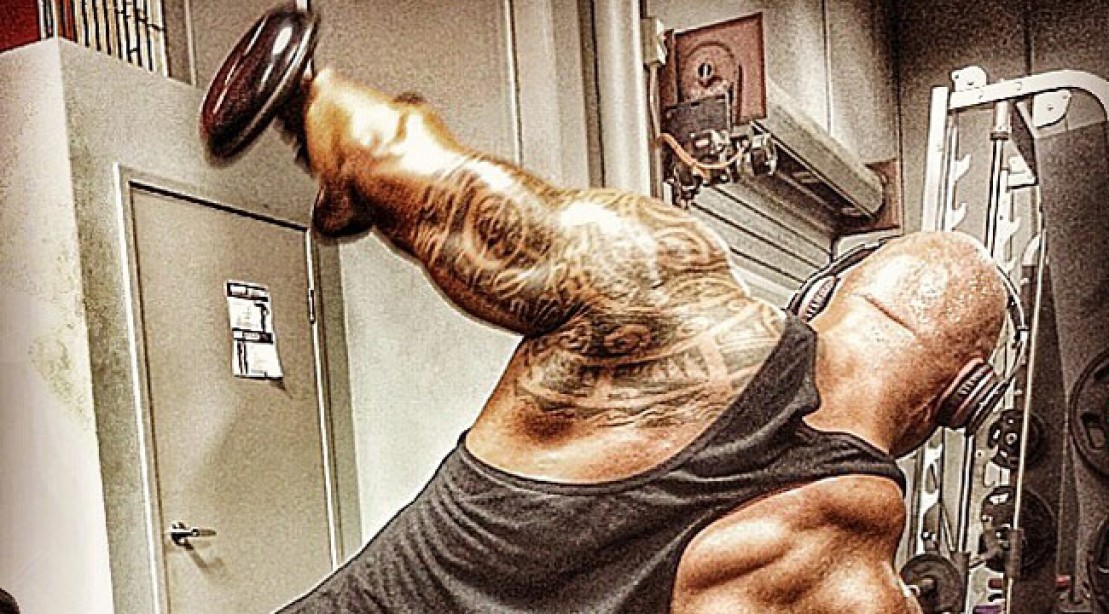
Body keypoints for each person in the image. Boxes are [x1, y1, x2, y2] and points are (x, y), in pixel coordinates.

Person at [271, 68, 1006, 613]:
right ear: (958, 398)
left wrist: (313, 101)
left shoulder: (665, 289)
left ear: (825, 293)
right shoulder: (861, 594)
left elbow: (397, 164)